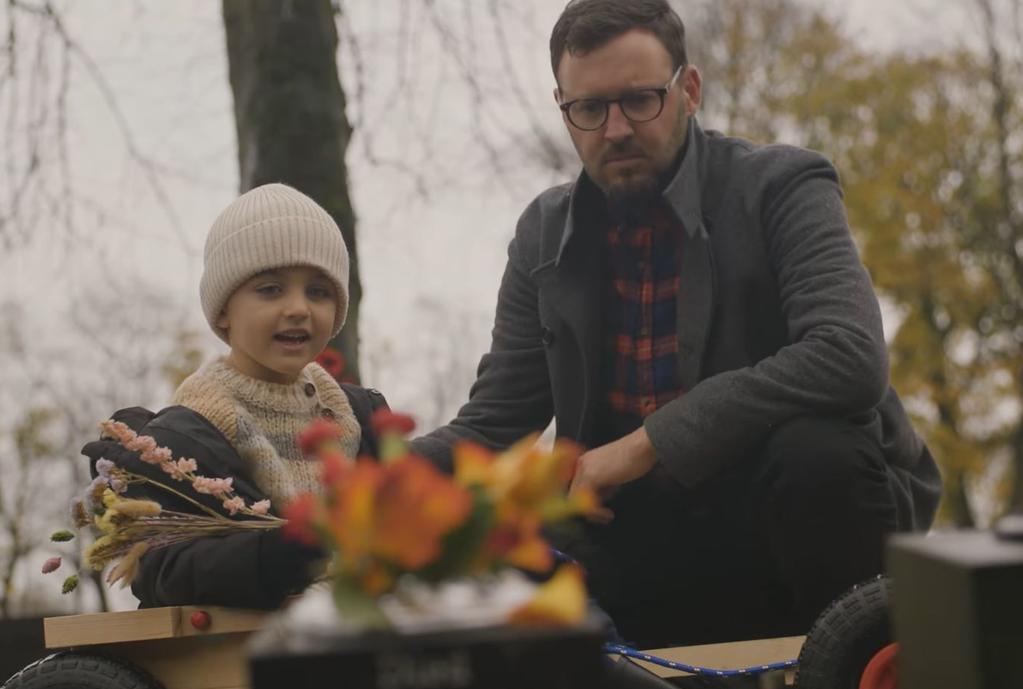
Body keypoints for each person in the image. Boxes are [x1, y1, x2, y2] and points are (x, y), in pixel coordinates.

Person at [413, 0, 942, 649]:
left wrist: (645, 443)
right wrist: (364, 477)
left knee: (816, 452)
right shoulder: (542, 235)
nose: (613, 130)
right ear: (562, 107)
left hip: (792, 522)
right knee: (501, 530)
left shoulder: (780, 184)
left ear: (687, 90)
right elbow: (492, 424)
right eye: (588, 109)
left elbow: (848, 355)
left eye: (639, 100)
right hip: (635, 540)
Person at [82, 183, 386, 610]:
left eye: (318, 291)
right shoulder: (182, 439)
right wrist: (279, 553)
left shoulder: (361, 418)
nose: (298, 307)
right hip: (242, 660)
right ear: (224, 309)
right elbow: (163, 571)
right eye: (270, 289)